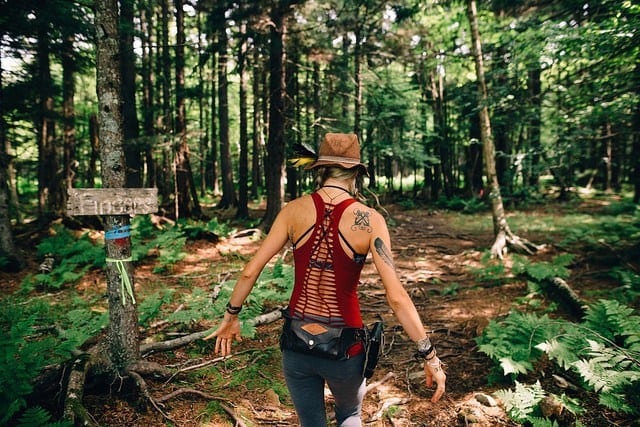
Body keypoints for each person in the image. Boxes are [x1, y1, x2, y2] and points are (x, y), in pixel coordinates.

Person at [204, 133, 446, 426]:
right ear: (357, 173)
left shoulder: (292, 211)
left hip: (296, 344)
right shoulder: (370, 220)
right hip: (346, 350)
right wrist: (429, 355)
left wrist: (231, 315)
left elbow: (250, 270)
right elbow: (396, 297)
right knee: (350, 415)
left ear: (319, 169)